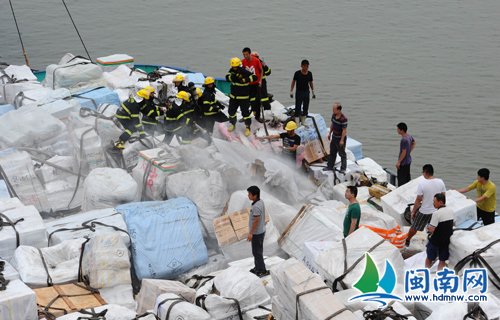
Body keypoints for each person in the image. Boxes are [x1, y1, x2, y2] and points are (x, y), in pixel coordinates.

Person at [406, 164, 446, 246]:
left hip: (424, 211)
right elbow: (443, 197)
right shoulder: (440, 182)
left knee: (414, 227)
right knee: (434, 228)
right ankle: (433, 243)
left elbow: (418, 199)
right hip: (436, 211)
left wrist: (413, 212)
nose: (423, 174)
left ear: (425, 172)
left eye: (423, 172)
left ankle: (408, 240)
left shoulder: (422, 183)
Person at [226, 57, 256, 137]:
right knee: (231, 112)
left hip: (243, 97)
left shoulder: (244, 71)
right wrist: (232, 77)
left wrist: (245, 80)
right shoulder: (231, 71)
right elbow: (227, 77)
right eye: (233, 67)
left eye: (235, 67)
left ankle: (247, 127)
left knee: (245, 113)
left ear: (239, 65)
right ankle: (233, 123)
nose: (234, 68)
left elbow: (254, 77)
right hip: (234, 97)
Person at [425, 193, 454, 271]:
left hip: (435, 241)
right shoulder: (451, 210)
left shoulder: (436, 213)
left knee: (429, 258)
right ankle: (439, 276)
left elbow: (431, 229)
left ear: (440, 202)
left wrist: (428, 227)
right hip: (446, 241)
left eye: (434, 201)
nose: (433, 203)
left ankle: (426, 272)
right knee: (442, 260)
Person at [247, 186, 269, 277]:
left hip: (257, 233)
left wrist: (251, 233)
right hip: (260, 231)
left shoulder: (256, 206)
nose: (248, 195)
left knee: (257, 252)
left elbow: (256, 220)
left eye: (249, 194)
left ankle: (262, 270)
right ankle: (257, 267)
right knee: (256, 252)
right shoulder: (260, 201)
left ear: (255, 195)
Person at [290, 59, 315, 126]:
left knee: (306, 107)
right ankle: (297, 122)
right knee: (298, 106)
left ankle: (303, 121)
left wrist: (313, 92)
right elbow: (293, 82)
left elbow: (311, 83)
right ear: (301, 66)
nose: (306, 68)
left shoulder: (310, 74)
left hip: (306, 92)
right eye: (304, 66)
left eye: (307, 66)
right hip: (299, 92)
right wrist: (291, 91)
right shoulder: (297, 73)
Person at [324, 102, 347, 173]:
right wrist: (330, 133)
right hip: (334, 137)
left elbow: (344, 130)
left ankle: (343, 168)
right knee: (332, 152)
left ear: (339, 110)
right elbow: (332, 124)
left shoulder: (343, 119)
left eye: (334, 109)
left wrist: (342, 140)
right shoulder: (334, 115)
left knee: (342, 154)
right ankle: (330, 166)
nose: (333, 111)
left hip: (340, 138)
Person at [241, 47, 263, 122]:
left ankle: (257, 116)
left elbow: (261, 71)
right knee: (245, 101)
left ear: (250, 54)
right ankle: (245, 116)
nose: (245, 56)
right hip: (247, 84)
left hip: (256, 84)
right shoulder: (243, 61)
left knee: (257, 101)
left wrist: (260, 81)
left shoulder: (256, 61)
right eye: (244, 55)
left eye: (246, 54)